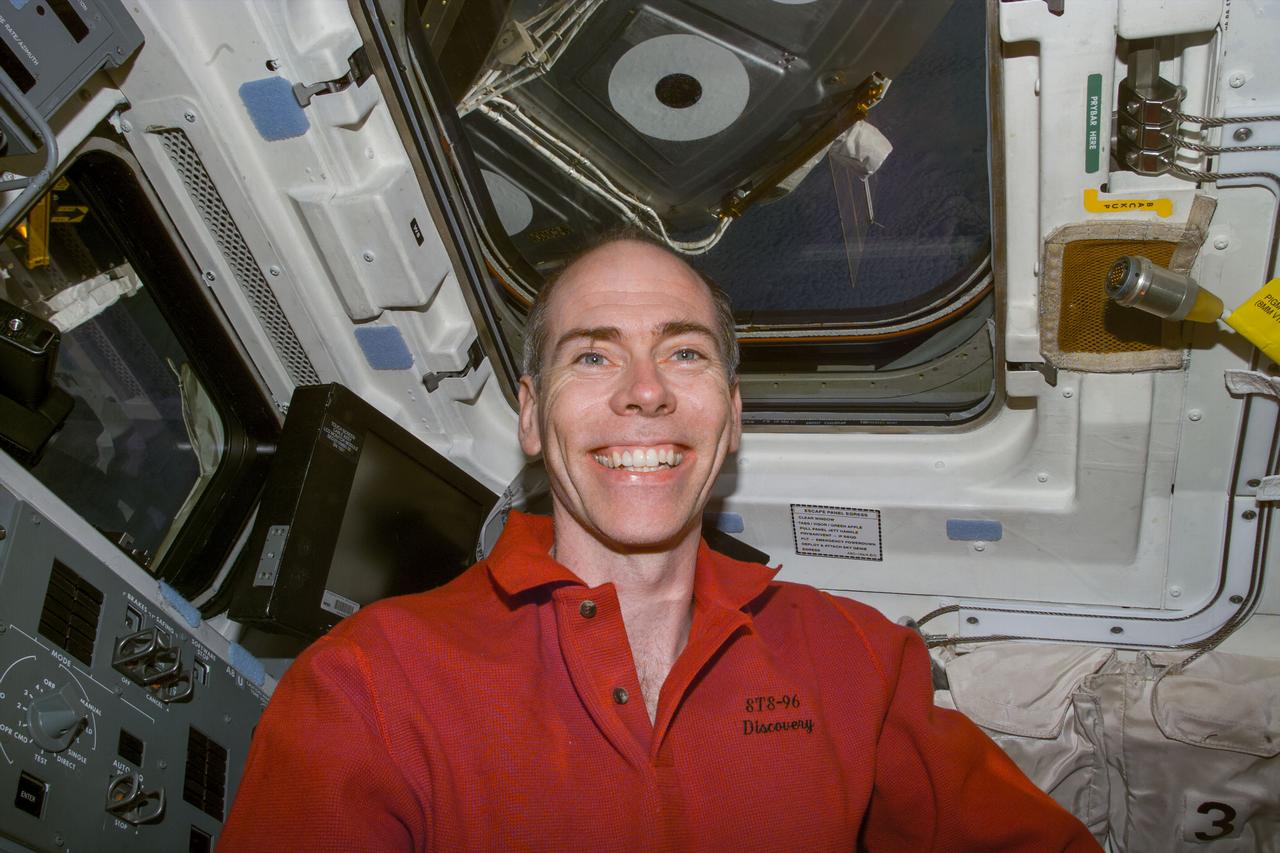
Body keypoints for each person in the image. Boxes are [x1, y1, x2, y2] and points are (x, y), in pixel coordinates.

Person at [220, 236, 1100, 851]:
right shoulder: (368, 681)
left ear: (733, 412)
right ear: (531, 414)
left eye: (684, 355)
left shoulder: (861, 657)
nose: (646, 393)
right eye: (594, 358)